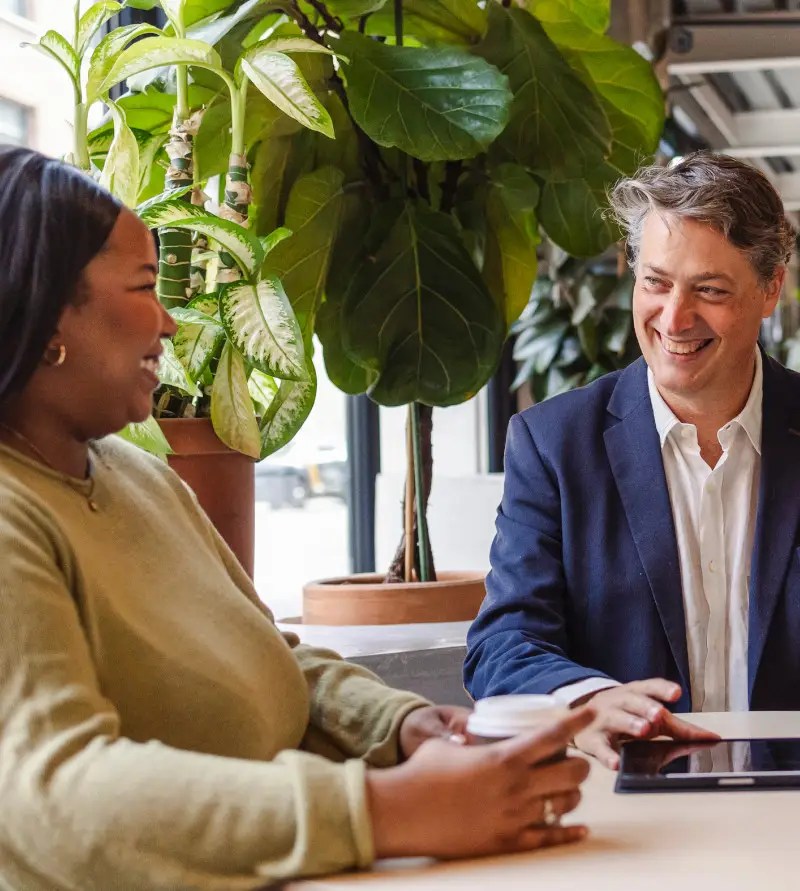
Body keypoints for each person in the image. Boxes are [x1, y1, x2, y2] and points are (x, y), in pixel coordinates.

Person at [0, 146, 593, 891]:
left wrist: (404, 727)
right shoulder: (12, 516)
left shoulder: (140, 475)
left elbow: (267, 654)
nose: (170, 324)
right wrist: (384, 811)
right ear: (47, 310)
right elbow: (54, 795)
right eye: (147, 287)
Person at [464, 152, 799, 769]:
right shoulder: (554, 443)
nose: (674, 317)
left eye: (711, 290)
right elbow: (503, 646)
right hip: (631, 813)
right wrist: (591, 700)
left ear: (770, 288)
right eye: (656, 282)